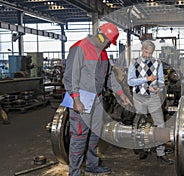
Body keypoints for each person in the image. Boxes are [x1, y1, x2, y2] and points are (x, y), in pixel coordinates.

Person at [63, 22, 132, 176]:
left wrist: (121, 93)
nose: (109, 46)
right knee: (80, 137)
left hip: (97, 99)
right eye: (109, 42)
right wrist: (76, 99)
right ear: (101, 36)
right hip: (82, 98)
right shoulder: (80, 48)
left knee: (95, 133)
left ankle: (91, 166)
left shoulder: (103, 53)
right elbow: (69, 77)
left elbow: (108, 77)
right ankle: (74, 173)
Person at [127, 40, 174, 165]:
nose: (148, 55)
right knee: (139, 126)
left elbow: (162, 84)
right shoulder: (134, 63)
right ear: (142, 50)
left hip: (153, 97)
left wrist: (157, 88)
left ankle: (161, 152)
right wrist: (146, 79)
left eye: (150, 53)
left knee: (160, 125)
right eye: (146, 52)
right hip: (138, 97)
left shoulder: (157, 63)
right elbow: (130, 82)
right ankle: (144, 149)